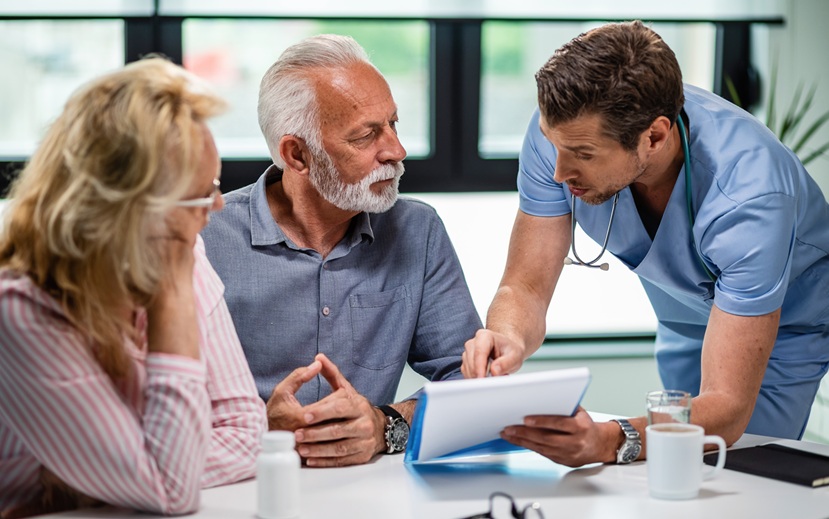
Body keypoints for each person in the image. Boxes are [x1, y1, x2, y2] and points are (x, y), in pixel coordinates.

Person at [462, 20, 829, 467]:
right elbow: (525, 287)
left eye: (582, 154)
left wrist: (610, 440)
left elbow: (727, 408)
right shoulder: (561, 133)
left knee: (741, 469)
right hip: (681, 315)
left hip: (783, 327)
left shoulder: (750, 196)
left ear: (654, 136)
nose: (558, 172)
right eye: (554, 145)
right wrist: (505, 337)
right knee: (670, 465)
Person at [0, 58, 267, 517]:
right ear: (127, 210)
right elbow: (171, 489)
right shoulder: (20, 310)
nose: (218, 206)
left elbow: (246, 430)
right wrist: (173, 300)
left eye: (216, 185)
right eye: (200, 195)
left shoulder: (182, 249)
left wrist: (107, 479)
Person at [200, 34, 481, 468]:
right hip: (237, 487)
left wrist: (385, 425)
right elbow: (154, 400)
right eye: (366, 136)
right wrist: (261, 431)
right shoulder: (204, 238)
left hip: (369, 492)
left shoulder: (417, 231)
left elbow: (472, 383)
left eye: (393, 124)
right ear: (296, 155)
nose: (396, 151)